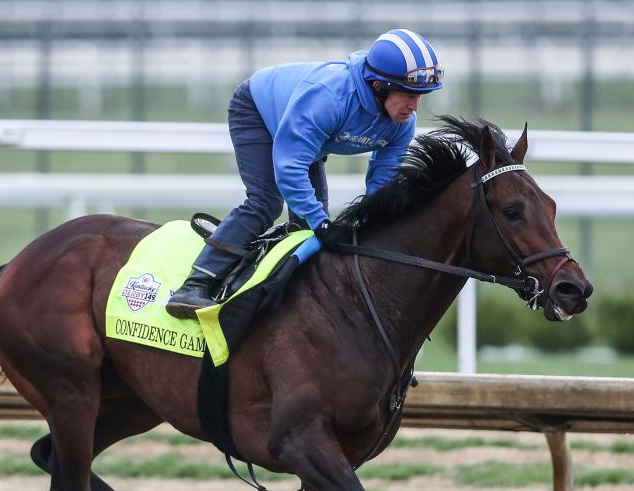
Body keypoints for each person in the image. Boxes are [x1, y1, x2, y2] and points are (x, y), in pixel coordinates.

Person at [165, 29, 444, 319]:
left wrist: (373, 226)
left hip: (302, 135)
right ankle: (195, 283)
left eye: (420, 96)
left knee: (306, 227)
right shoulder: (331, 98)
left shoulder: (402, 123)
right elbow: (290, 168)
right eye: (407, 95)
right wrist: (322, 224)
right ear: (378, 86)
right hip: (257, 110)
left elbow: (381, 184)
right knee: (267, 203)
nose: (414, 107)